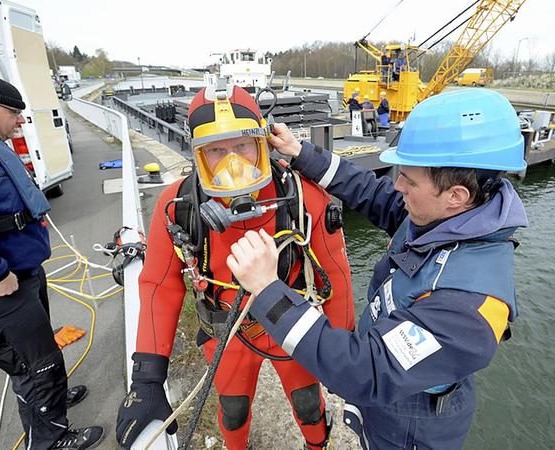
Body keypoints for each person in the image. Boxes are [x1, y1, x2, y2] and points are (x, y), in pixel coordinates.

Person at [227, 89, 528, 450]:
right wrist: (300, 152)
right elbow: (370, 192)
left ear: (456, 195)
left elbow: (363, 371)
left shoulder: (469, 309)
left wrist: (267, 290)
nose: (397, 184)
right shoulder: (444, 218)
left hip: (409, 431)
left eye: (410, 180)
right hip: (386, 409)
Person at [115, 84, 355, 450]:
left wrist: (345, 353)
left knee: (309, 405)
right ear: (197, 154)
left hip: (291, 326)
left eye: (243, 146)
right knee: (233, 411)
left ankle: (317, 446)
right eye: (216, 151)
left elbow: (336, 277)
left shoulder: (303, 197)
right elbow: (159, 286)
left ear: (263, 143)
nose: (233, 165)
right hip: (225, 332)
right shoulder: (178, 207)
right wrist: (147, 379)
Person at [0, 74, 103, 450]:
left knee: (38, 352)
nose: (20, 121)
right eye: (13, 112)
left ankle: (49, 406)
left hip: (19, 274)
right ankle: (50, 439)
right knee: (36, 363)